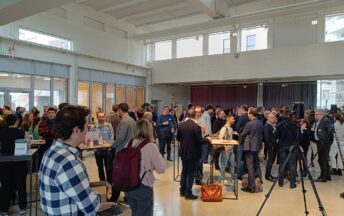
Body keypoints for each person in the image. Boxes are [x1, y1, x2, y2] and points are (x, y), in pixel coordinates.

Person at [39, 105, 115, 215]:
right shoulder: (70, 163)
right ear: (76, 130)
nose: (87, 130)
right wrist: (98, 198)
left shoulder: (51, 152)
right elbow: (90, 207)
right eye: (86, 127)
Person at [124, 120, 166, 216]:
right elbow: (161, 168)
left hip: (128, 186)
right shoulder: (150, 145)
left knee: (135, 212)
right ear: (150, 130)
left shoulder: (129, 143)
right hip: (143, 186)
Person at [177, 109, 211, 200]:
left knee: (184, 171)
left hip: (183, 151)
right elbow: (200, 140)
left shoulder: (181, 124)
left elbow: (178, 138)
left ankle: (182, 191)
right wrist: (208, 140)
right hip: (193, 153)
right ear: (195, 115)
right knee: (191, 173)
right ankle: (188, 193)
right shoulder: (196, 126)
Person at [0, 114, 29, 215]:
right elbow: (28, 146)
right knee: (21, 186)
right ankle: (22, 207)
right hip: (19, 163)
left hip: (4, 164)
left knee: (5, 187)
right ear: (17, 122)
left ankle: (3, 210)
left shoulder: (1, 133)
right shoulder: (23, 133)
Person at [111, 103, 137, 202]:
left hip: (122, 152)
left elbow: (120, 137)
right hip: (130, 151)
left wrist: (112, 145)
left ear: (120, 110)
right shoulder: (132, 120)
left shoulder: (124, 122)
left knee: (119, 175)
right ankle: (127, 196)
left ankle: (114, 198)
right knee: (128, 175)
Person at [240, 108, 264, 193]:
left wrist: (239, 136)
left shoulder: (249, 124)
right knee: (256, 164)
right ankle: (259, 181)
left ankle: (251, 187)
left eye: (248, 114)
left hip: (250, 147)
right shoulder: (260, 123)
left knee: (250, 166)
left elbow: (243, 134)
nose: (248, 116)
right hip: (257, 147)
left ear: (251, 114)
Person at [276, 112, 298, 188]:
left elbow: (276, 136)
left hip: (282, 147)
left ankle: (280, 182)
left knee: (282, 164)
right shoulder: (295, 125)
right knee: (292, 165)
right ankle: (292, 184)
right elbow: (299, 138)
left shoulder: (279, 125)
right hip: (292, 147)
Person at [314, 109, 334, 182]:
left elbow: (330, 131)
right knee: (324, 160)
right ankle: (327, 176)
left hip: (324, 143)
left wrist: (325, 140)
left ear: (321, 114)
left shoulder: (325, 120)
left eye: (316, 114)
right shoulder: (320, 121)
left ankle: (323, 177)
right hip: (321, 142)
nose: (315, 116)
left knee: (321, 160)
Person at [94, 112, 114, 183]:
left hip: (107, 150)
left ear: (105, 117)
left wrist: (108, 144)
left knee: (108, 169)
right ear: (97, 117)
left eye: (102, 117)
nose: (101, 118)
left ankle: (109, 185)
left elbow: (112, 138)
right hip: (98, 151)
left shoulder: (109, 126)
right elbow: (93, 139)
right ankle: (102, 184)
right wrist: (97, 144)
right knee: (100, 169)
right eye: (100, 117)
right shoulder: (94, 127)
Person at [218, 114, 236, 185]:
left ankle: (233, 178)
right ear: (228, 119)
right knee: (224, 165)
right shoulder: (224, 128)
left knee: (232, 164)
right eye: (232, 119)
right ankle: (222, 178)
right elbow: (220, 138)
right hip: (226, 150)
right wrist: (225, 146)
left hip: (231, 149)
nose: (234, 120)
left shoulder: (231, 128)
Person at [264, 112, 278, 182]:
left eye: (274, 117)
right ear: (268, 118)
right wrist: (271, 146)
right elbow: (267, 138)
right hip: (271, 147)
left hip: (274, 146)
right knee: (270, 161)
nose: (273, 119)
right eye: (272, 117)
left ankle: (269, 174)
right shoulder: (267, 126)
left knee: (272, 161)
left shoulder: (273, 125)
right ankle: (267, 175)